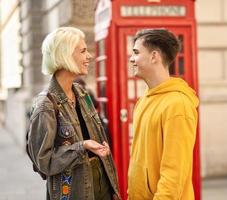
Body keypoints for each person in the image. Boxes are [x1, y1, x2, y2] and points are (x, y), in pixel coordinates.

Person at [27, 27, 120, 200]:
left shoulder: (82, 93)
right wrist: (81, 146)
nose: (89, 56)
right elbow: (44, 162)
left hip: (102, 186)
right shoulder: (45, 106)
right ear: (66, 55)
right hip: (74, 191)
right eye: (83, 51)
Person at [127, 29, 199, 200]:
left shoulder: (178, 106)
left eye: (136, 52)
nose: (131, 59)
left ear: (154, 56)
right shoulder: (144, 99)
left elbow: (174, 173)